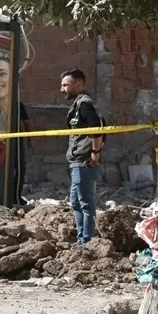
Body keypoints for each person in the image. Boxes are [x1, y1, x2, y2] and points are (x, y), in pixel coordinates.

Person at [60, 69, 104, 244]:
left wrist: (95, 153)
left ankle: (86, 241)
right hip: (77, 162)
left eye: (65, 85)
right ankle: (81, 238)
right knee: (76, 203)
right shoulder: (80, 104)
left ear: (78, 85)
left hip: (84, 162)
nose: (62, 89)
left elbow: (97, 129)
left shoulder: (84, 104)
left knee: (86, 204)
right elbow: (103, 127)